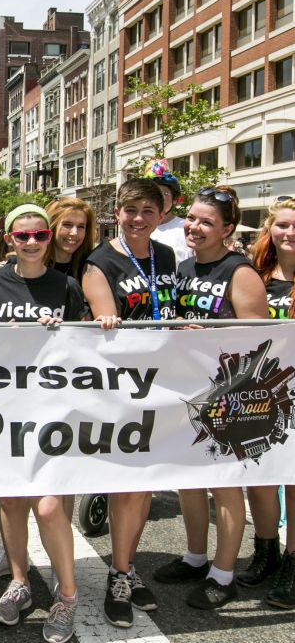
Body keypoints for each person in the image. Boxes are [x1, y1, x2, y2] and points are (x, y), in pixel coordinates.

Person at [153, 186, 268, 609]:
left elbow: (261, 337)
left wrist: (209, 334)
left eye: (207, 222)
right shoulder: (183, 267)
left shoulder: (240, 271)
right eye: (192, 218)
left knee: (225, 485)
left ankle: (223, 575)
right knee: (188, 481)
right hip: (187, 388)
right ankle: (195, 557)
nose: (195, 227)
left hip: (230, 394)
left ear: (227, 230)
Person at [0, 203, 86, 643]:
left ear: (49, 237)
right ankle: (19, 581)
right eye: (22, 236)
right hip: (6, 407)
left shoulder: (67, 285)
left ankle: (68, 596)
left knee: (49, 506)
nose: (32, 242)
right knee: (10, 500)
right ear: (9, 239)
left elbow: (86, 350)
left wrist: (60, 332)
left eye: (40, 235)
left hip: (54, 409)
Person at [81, 178, 177, 629]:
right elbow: (109, 323)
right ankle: (119, 576)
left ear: (162, 215)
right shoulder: (99, 262)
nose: (139, 219)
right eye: (131, 210)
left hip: (165, 385)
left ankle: (126, 564)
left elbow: (170, 311)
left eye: (148, 211)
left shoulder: (167, 256)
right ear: (117, 212)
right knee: (127, 485)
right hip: (122, 389)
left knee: (143, 487)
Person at [241, 198, 295, 608]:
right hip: (260, 393)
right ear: (270, 230)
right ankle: (266, 551)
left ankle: (293, 563)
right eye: (283, 225)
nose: (289, 233)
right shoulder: (255, 275)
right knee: (258, 477)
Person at [143, 159, 192, 264]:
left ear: (174, 200)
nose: (159, 198)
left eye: (165, 194)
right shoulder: (138, 227)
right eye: (153, 194)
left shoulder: (186, 228)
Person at [46, 196, 96, 278]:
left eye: (81, 226)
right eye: (67, 225)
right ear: (53, 227)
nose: (74, 233)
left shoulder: (91, 269)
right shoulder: (33, 266)